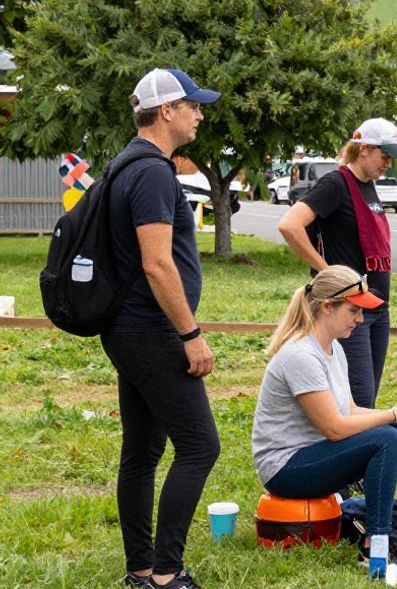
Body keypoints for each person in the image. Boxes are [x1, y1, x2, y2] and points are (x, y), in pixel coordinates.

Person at [251, 265, 397, 573]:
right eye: (354, 311)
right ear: (326, 307)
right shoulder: (300, 356)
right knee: (387, 437)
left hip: (313, 454)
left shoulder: (333, 348)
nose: (360, 320)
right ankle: (375, 546)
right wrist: (390, 415)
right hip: (285, 469)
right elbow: (334, 428)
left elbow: (347, 410)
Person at [104, 68, 223, 589]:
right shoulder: (152, 171)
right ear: (167, 110)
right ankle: (167, 574)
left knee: (143, 452)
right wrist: (190, 333)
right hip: (152, 331)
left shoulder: (122, 164)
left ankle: (140, 569)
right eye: (193, 105)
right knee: (200, 446)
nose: (200, 114)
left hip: (126, 329)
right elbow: (157, 264)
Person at [278, 118, 397, 409]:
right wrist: (328, 274)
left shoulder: (369, 186)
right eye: (384, 156)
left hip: (377, 308)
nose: (388, 164)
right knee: (357, 401)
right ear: (363, 149)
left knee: (367, 399)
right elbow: (290, 225)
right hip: (347, 308)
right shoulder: (335, 184)